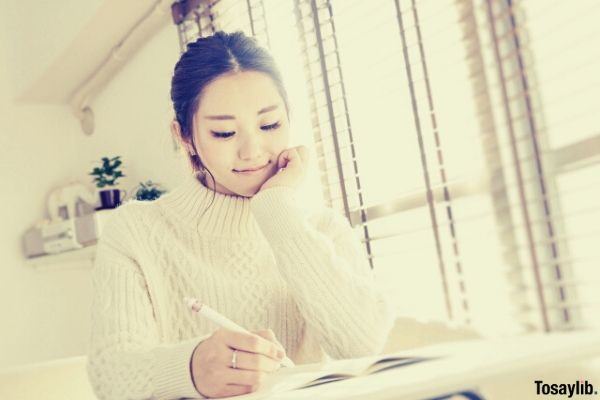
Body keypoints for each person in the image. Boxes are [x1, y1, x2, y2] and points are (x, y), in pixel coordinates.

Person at [86, 30, 394, 400]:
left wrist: (276, 209)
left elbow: (366, 347)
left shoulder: (321, 229)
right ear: (184, 136)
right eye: (224, 132)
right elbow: (111, 376)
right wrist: (192, 368)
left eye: (269, 125)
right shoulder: (135, 232)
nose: (253, 151)